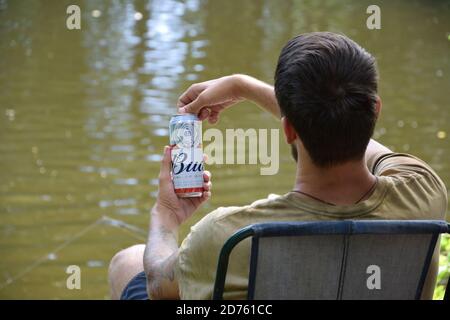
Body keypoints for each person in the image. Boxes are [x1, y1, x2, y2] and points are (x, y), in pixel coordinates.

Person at [108, 32, 448, 300]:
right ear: (375, 109)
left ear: (287, 129)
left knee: (129, 261)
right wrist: (247, 87)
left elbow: (156, 284)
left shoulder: (229, 238)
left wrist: (166, 215)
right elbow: (356, 134)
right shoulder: (424, 192)